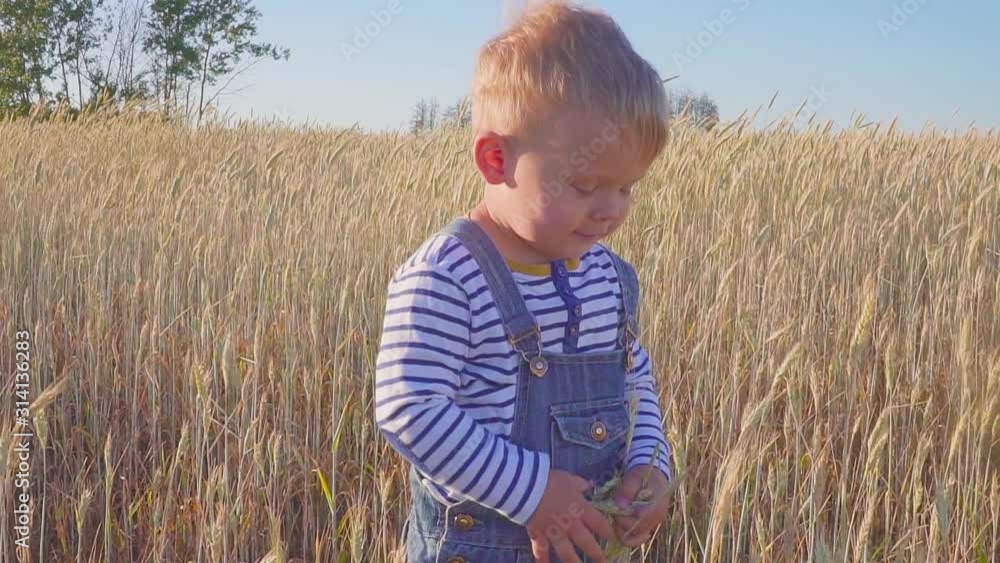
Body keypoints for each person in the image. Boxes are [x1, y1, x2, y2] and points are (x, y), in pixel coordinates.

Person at [374, 2, 673, 561]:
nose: (611, 210)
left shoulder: (609, 277)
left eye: (627, 188)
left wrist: (650, 463)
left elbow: (635, 381)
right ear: (496, 159)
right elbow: (408, 407)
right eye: (585, 185)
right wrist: (532, 493)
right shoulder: (450, 274)